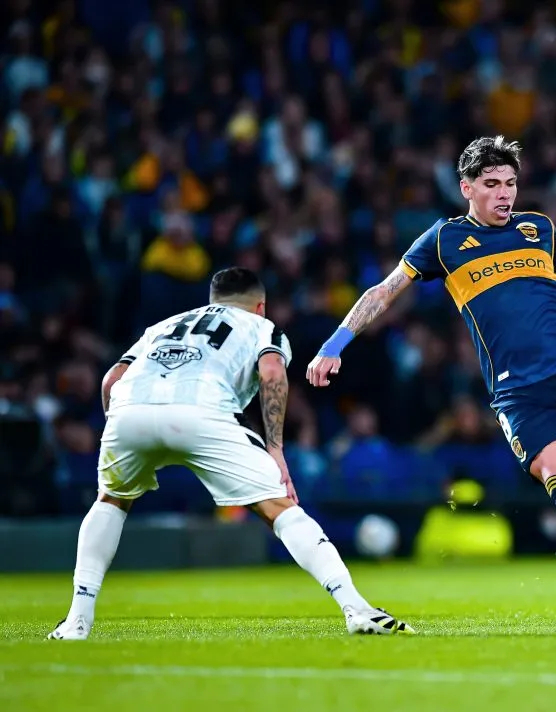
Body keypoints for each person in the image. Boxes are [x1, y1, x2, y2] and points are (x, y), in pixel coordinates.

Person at [307, 136, 556, 617]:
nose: (504, 193)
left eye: (510, 183)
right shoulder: (444, 240)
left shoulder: (541, 230)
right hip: (519, 389)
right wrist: (333, 346)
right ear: (466, 187)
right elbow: (384, 292)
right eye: (491, 184)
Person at [48, 267, 414, 640]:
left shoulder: (164, 325)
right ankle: (356, 608)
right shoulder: (262, 327)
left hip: (129, 413)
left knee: (110, 501)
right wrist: (275, 448)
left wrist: (118, 429)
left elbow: (112, 379)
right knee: (279, 508)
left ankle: (77, 620)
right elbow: (272, 373)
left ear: (213, 299)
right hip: (201, 411)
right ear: (260, 306)